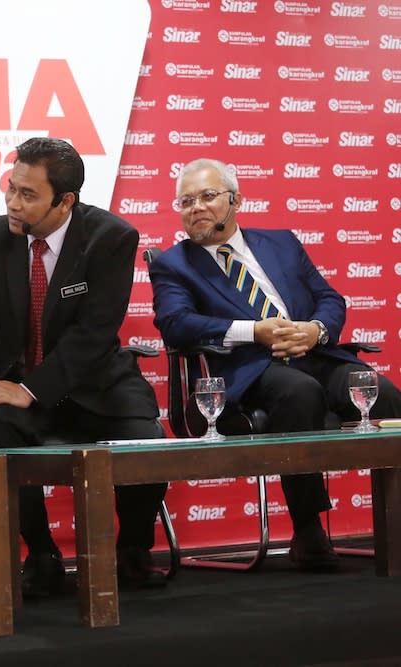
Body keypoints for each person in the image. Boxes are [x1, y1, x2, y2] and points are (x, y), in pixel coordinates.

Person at [0, 137, 169, 594]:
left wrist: (33, 390)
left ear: (65, 201)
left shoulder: (110, 237)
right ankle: (41, 555)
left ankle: (133, 551)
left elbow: (94, 334)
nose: (13, 204)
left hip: (95, 381)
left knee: (145, 438)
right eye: (10, 188)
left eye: (28, 195)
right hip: (21, 383)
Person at [148, 157, 401, 572]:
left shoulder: (280, 242)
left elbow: (330, 298)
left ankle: (395, 524)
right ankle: (308, 529)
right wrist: (255, 331)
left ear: (236, 200)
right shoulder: (173, 264)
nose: (196, 207)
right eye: (186, 201)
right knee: (299, 392)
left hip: (313, 353)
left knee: (383, 392)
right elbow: (176, 325)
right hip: (247, 369)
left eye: (208, 196)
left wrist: (315, 331)